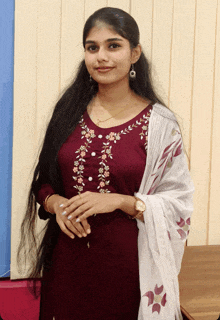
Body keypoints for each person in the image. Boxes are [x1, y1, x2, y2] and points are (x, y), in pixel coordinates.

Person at [17, 7, 194, 320]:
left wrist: (120, 201)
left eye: (114, 45)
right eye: (92, 47)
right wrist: (57, 204)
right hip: (67, 265)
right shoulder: (69, 112)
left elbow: (179, 204)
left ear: (134, 53)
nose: (101, 57)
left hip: (130, 269)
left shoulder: (161, 126)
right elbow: (42, 184)